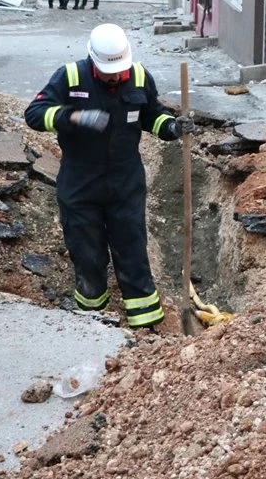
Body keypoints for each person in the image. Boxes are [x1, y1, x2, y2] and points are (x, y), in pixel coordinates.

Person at [24, 24, 194, 330]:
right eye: (107, 71)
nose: (115, 77)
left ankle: (147, 325)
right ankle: (92, 321)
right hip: (80, 181)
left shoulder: (140, 77)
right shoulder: (70, 77)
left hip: (125, 180)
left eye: (119, 70)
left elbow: (152, 116)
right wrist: (71, 116)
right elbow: (34, 114)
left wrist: (171, 127)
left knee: (132, 249)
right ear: (93, 61)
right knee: (87, 253)